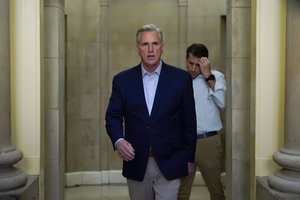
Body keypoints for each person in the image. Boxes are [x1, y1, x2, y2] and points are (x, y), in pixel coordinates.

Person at [105, 24, 197, 200]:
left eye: (155, 44)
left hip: (171, 160)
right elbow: (112, 116)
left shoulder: (181, 79)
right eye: (145, 44)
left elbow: (189, 122)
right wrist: (118, 140)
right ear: (138, 49)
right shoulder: (122, 80)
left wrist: (189, 159)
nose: (150, 49)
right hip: (136, 162)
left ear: (162, 47)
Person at [178, 43, 226, 200]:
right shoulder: (179, 80)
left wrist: (207, 75)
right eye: (190, 63)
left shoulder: (216, 76)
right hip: (185, 142)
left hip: (208, 141)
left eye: (197, 65)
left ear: (205, 62)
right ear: (186, 59)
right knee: (182, 191)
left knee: (216, 191)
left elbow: (221, 102)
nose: (192, 69)